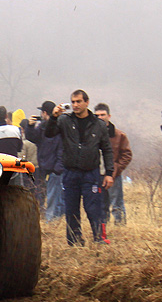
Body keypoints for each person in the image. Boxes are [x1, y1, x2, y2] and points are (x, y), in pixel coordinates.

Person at [45, 90, 113, 245]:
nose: (75, 105)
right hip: (70, 172)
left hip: (91, 173)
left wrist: (109, 172)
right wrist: (54, 117)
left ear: (87, 102)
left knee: (93, 207)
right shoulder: (64, 120)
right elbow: (49, 134)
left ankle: (99, 238)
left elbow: (107, 149)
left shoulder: (99, 125)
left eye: (78, 101)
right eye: (73, 102)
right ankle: (74, 240)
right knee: (71, 209)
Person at [25, 100, 65, 222]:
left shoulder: (59, 128)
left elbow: (61, 150)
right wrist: (30, 126)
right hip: (44, 167)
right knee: (44, 194)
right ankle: (49, 219)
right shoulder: (42, 128)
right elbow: (32, 137)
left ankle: (51, 220)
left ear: (44, 112)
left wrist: (58, 169)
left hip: (55, 169)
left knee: (54, 197)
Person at [93, 103, 132, 225]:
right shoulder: (91, 134)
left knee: (117, 203)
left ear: (109, 116)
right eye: (97, 115)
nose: (100, 117)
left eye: (102, 114)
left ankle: (120, 226)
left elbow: (127, 155)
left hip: (113, 175)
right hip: (96, 173)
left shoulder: (119, 135)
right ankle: (103, 227)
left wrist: (116, 169)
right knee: (101, 204)